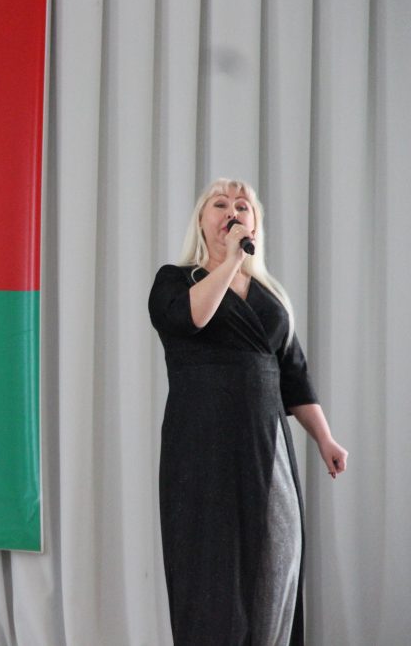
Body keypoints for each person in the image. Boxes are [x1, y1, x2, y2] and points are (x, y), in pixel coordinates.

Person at [148, 178, 348, 645]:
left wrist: (324, 438)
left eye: (243, 206)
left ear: (255, 224)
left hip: (265, 441)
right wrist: (232, 261)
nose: (232, 212)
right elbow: (193, 317)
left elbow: (293, 372)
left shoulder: (270, 296)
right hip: (201, 441)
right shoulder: (175, 280)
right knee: (209, 565)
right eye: (220, 204)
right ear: (202, 221)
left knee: (279, 556)